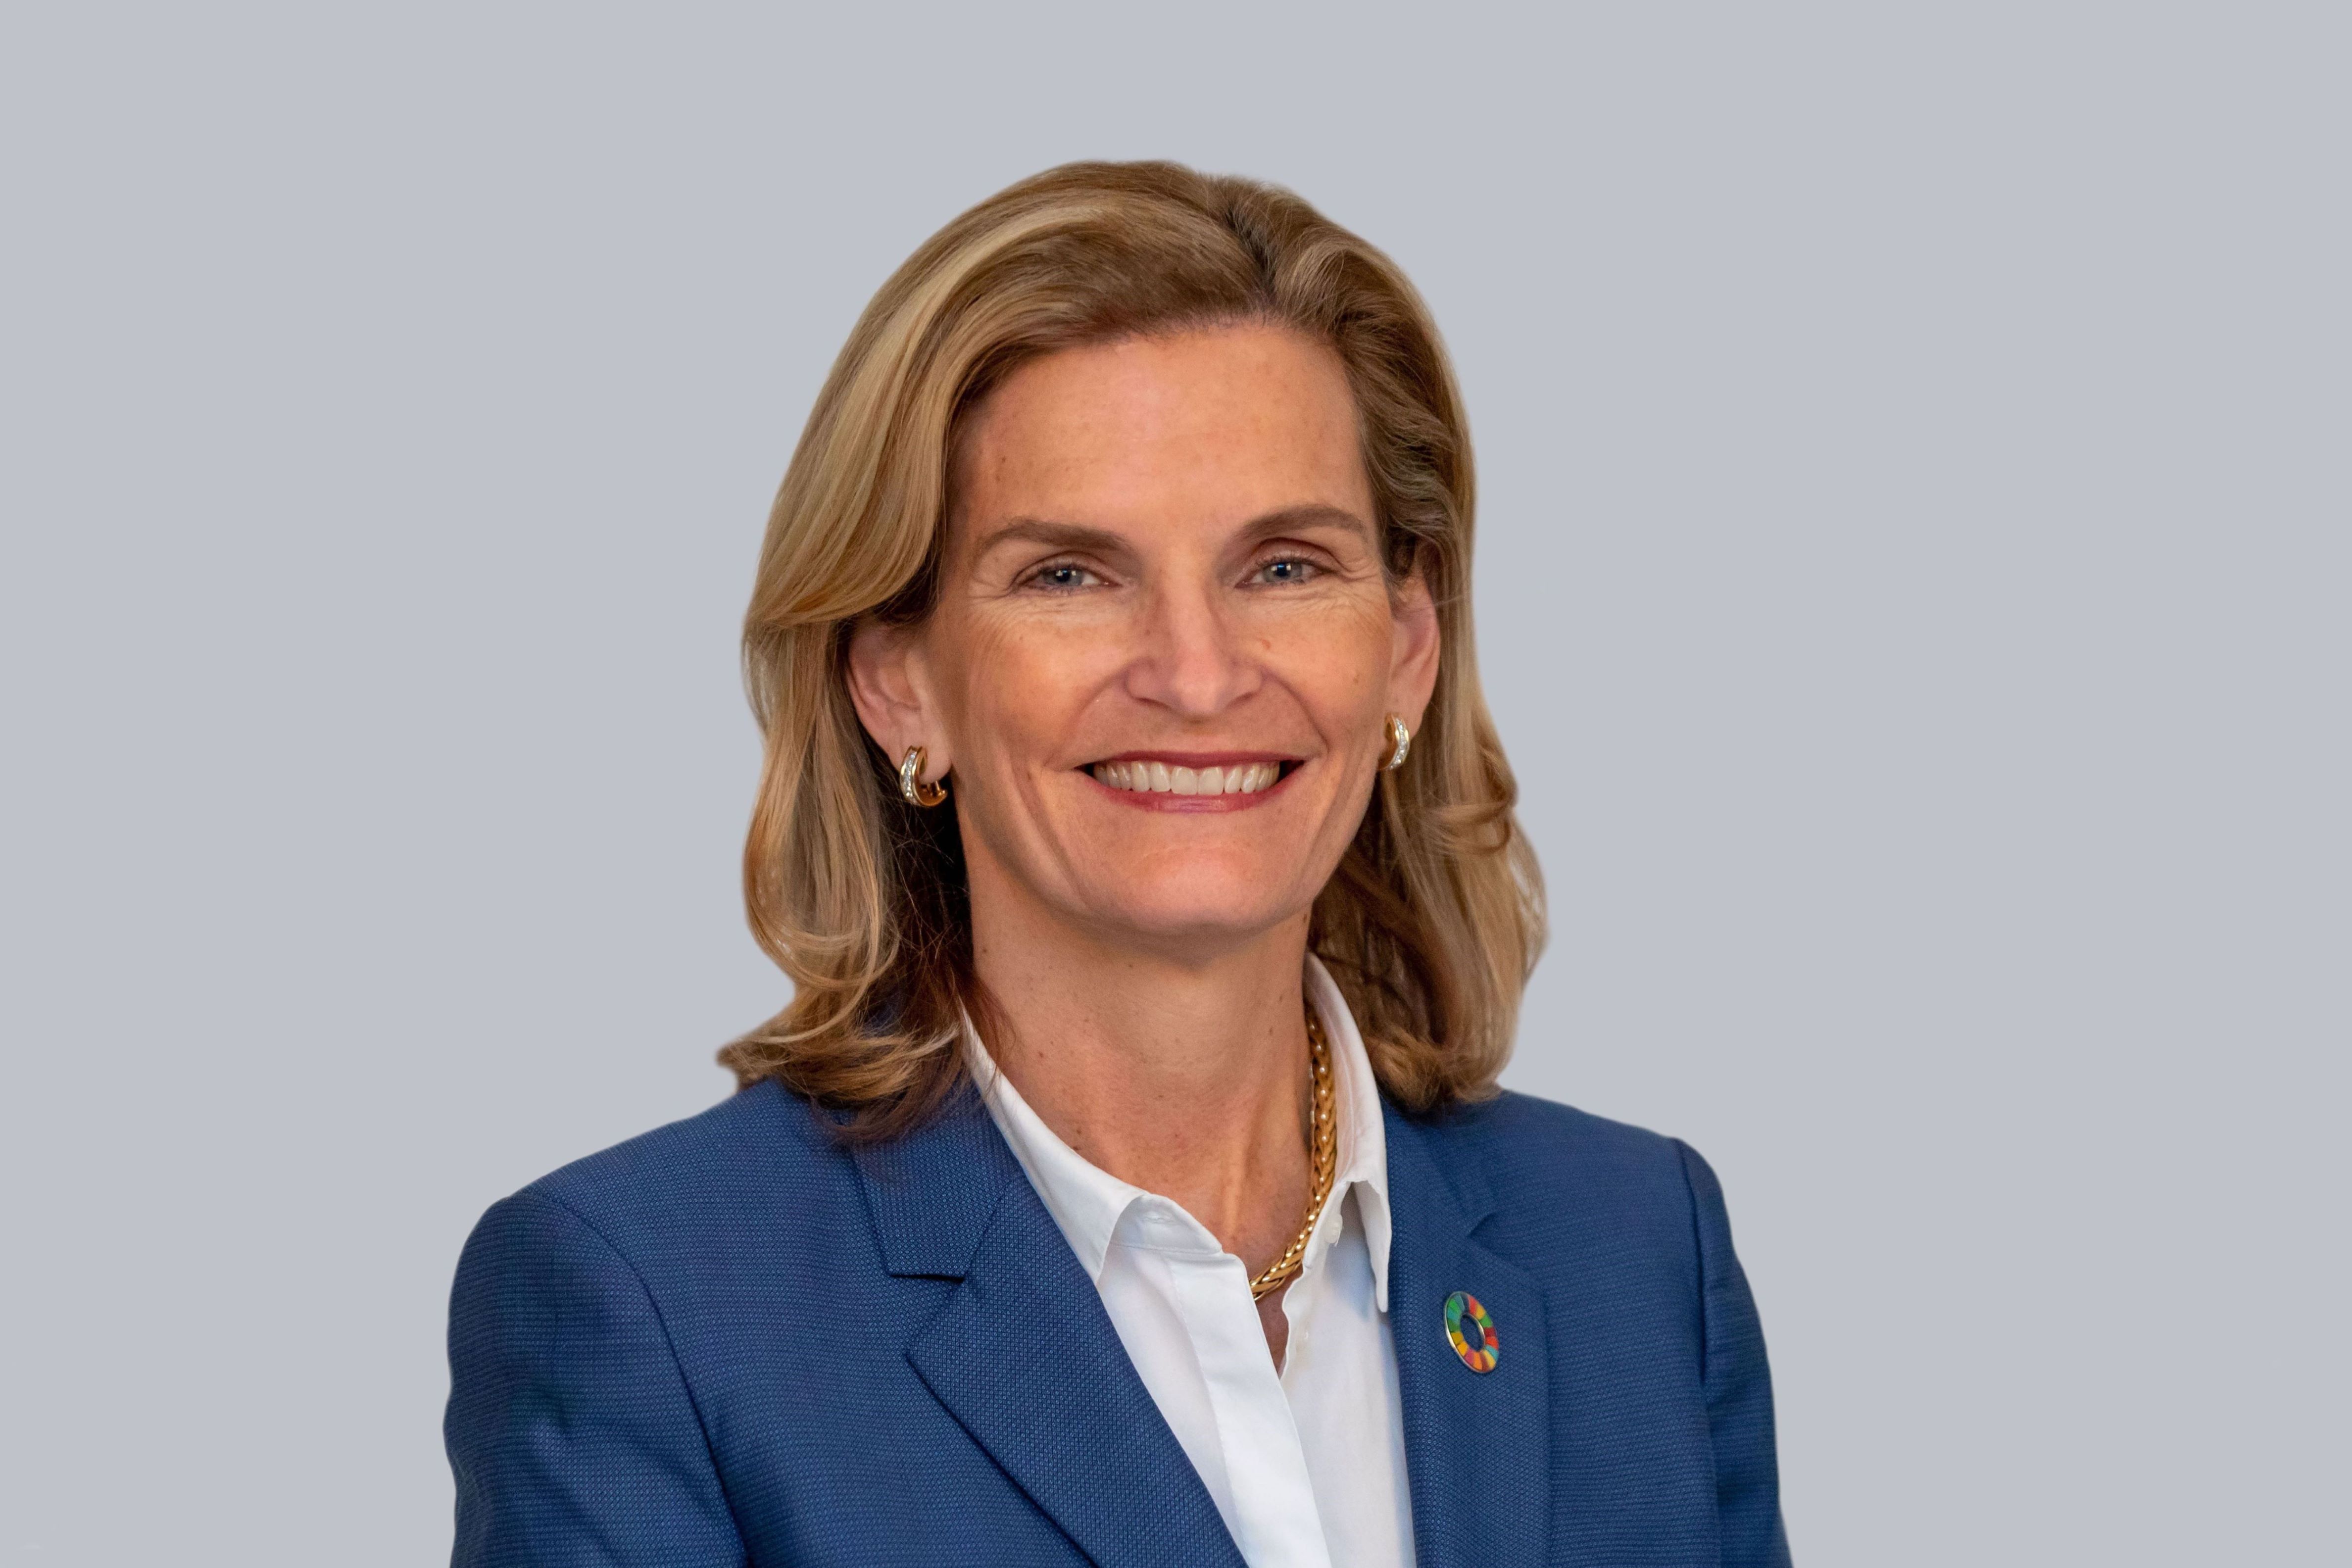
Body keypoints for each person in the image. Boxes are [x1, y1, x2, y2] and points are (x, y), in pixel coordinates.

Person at [444, 159, 1790, 1568]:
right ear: (899, 681)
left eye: (1285, 566)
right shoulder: (655, 1309)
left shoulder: (1638, 1252)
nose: (1196, 677)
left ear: (1406, 648)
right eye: (1070, 575)